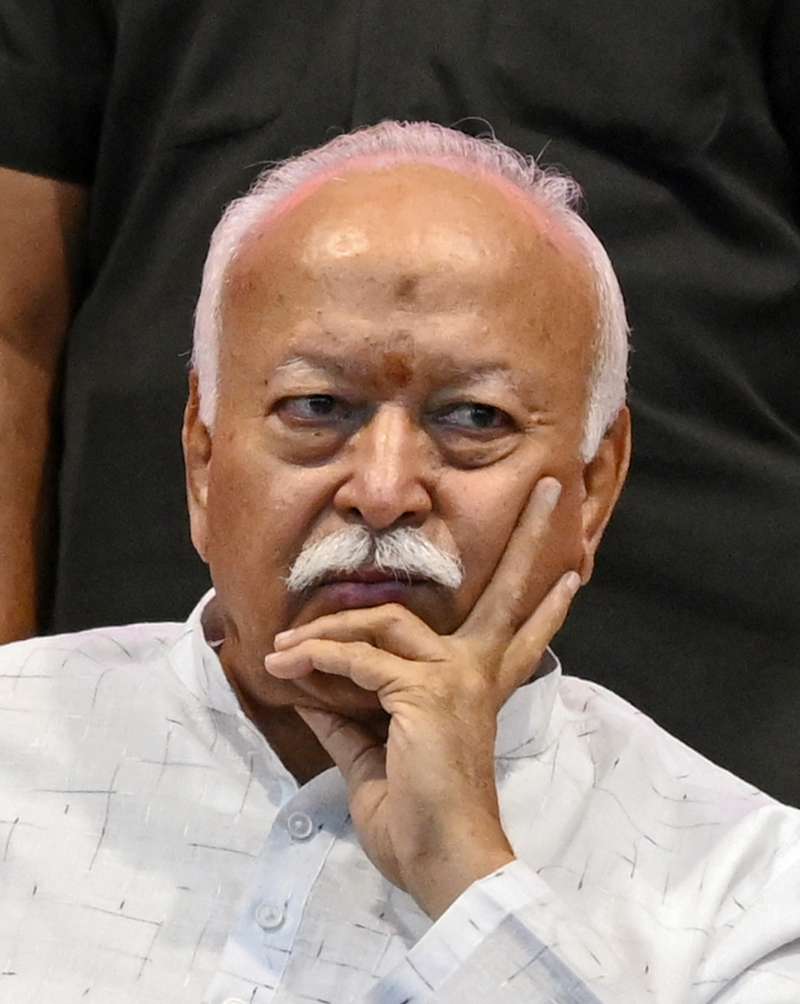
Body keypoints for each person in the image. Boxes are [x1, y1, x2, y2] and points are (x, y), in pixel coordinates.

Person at [1, 123, 798, 1004]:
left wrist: (469, 874)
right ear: (202, 455)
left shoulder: (747, 897)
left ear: (595, 487)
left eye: (475, 419)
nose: (382, 493)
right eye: (316, 406)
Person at [0, 3, 798, 807]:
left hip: (685, 624)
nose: (383, 493)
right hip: (171, 596)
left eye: (473, 415)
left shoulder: (742, 851)